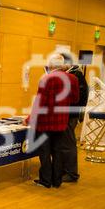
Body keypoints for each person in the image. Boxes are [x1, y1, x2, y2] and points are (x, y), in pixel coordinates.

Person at [24, 53, 79, 188]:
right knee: (58, 152)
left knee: (44, 152)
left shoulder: (47, 79)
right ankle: (57, 180)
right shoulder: (72, 78)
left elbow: (40, 103)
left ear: (50, 65)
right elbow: (75, 99)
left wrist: (29, 119)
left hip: (45, 122)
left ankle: (45, 180)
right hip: (61, 121)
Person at [60, 52, 89, 182]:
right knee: (64, 143)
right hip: (68, 113)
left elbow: (79, 99)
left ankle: (71, 173)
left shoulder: (75, 76)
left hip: (69, 114)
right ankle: (64, 170)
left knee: (68, 144)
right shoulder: (75, 74)